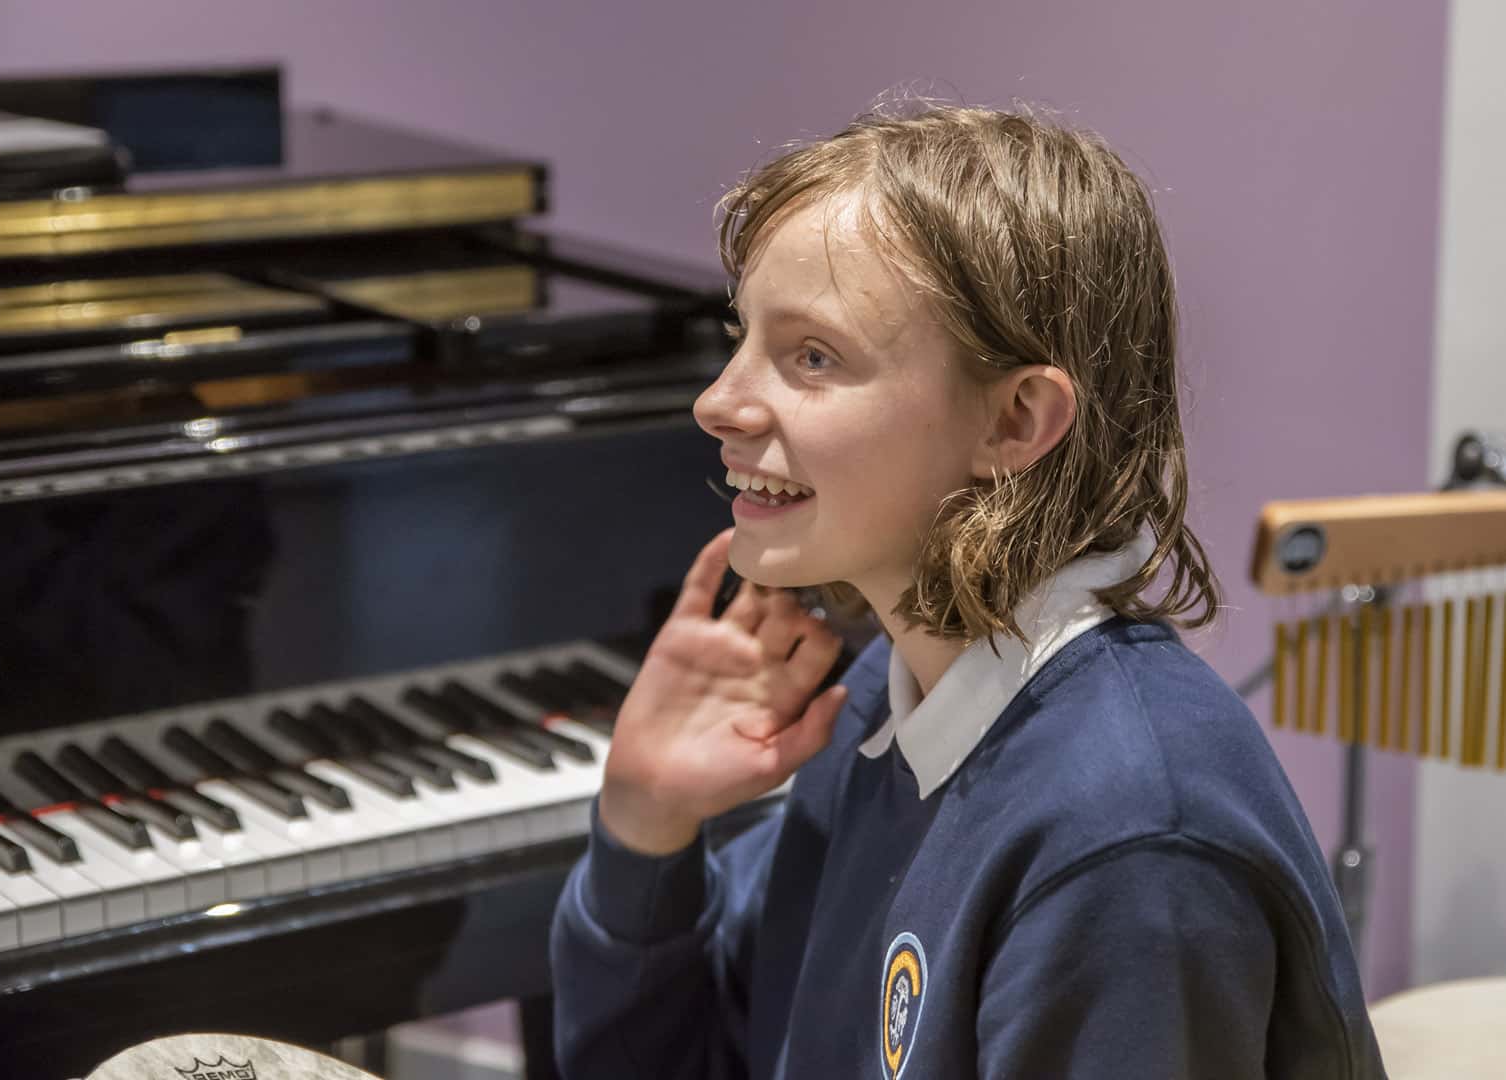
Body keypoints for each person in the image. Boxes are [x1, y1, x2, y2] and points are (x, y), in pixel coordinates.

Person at [549, 102, 1384, 1079]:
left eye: (811, 356)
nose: (717, 402)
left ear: (1015, 420)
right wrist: (646, 825)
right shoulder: (883, 699)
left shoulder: (1130, 841)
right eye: (741, 338)